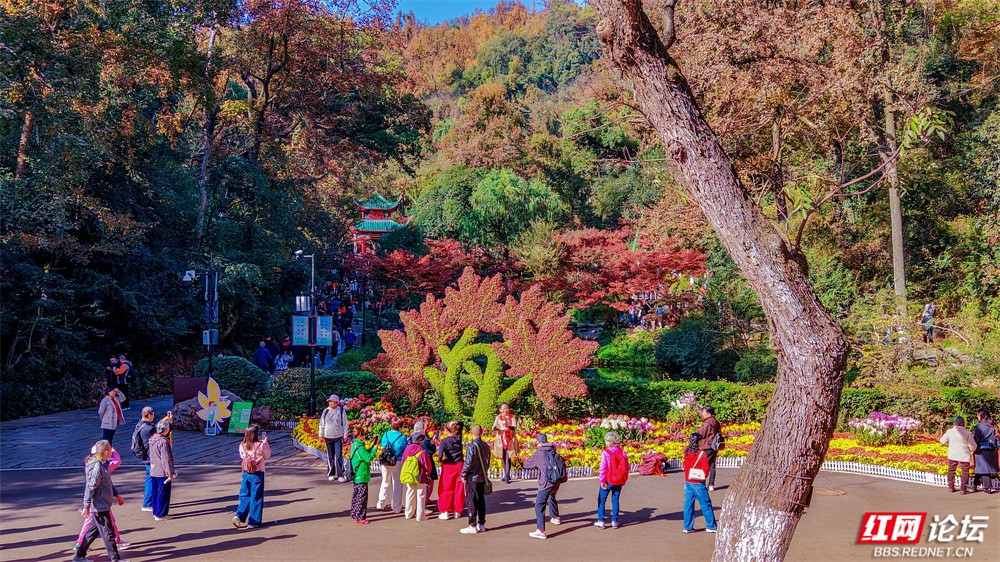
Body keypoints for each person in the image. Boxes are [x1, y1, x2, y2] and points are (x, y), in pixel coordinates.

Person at [75, 440, 128, 562]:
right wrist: (86, 506)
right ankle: (115, 558)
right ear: (106, 452)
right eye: (110, 450)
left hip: (102, 504)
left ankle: (79, 556)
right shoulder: (97, 466)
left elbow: (107, 483)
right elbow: (90, 487)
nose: (111, 452)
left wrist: (117, 495)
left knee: (92, 532)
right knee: (108, 532)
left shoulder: (103, 464)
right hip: (100, 506)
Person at [523, 433, 565, 539]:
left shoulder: (539, 453)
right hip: (556, 480)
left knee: (539, 505)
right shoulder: (552, 450)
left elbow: (526, 465)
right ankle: (555, 517)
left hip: (546, 482)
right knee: (552, 495)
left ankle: (541, 531)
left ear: (538, 442)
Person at [233, 424, 271, 529]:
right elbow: (267, 455)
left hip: (246, 473)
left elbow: (242, 456)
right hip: (258, 473)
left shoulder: (242, 445)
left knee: (245, 495)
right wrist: (265, 443)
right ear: (256, 434)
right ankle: (253, 522)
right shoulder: (260, 445)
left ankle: (239, 516)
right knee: (256, 497)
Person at [682, 433, 718, 534]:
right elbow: (706, 469)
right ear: (699, 441)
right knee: (706, 504)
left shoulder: (687, 452)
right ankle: (711, 526)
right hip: (698, 483)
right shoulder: (701, 454)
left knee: (688, 505)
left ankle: (687, 527)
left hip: (688, 482)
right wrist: (703, 477)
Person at [460, 424, 490, 535]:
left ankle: (472, 525)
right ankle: (481, 524)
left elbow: (468, 462)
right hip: (482, 476)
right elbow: (488, 462)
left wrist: (463, 474)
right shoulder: (485, 445)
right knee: (481, 500)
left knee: (472, 500)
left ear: (471, 432)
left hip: (472, 476)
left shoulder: (472, 446)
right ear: (481, 432)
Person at [595, 431, 629, 529]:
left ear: (609, 442)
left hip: (608, 480)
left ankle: (601, 521)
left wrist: (602, 480)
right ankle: (615, 521)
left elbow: (603, 468)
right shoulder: (622, 452)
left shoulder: (606, 452)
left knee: (602, 500)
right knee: (615, 500)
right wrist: (623, 477)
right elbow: (627, 467)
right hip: (619, 480)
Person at [376, 418, 408, 513]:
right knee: (397, 484)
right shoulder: (402, 437)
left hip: (385, 461)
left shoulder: (386, 434)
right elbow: (405, 450)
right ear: (400, 426)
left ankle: (380, 504)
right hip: (397, 461)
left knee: (385, 482)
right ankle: (396, 507)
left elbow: (383, 446)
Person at [400, 432, 434, 521]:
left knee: (410, 493)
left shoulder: (407, 449)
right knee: (421, 495)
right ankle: (420, 516)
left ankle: (408, 514)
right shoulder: (422, 452)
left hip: (409, 475)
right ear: (421, 441)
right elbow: (428, 466)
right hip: (420, 476)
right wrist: (428, 473)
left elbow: (403, 461)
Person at [437, 421, 465, 520]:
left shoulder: (444, 441)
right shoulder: (458, 438)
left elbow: (440, 455)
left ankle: (445, 511)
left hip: (448, 465)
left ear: (446, 430)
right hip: (459, 464)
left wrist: (440, 460)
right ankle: (457, 511)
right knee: (459, 488)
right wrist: (456, 422)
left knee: (446, 488)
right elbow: (461, 425)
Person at [349, 427, 378, 524]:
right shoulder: (360, 447)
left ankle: (354, 513)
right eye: (363, 434)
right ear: (360, 435)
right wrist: (374, 449)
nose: (365, 436)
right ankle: (360, 517)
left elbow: (365, 454)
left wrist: (372, 447)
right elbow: (368, 458)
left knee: (356, 495)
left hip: (357, 474)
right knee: (362, 497)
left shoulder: (355, 444)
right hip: (361, 474)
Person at [941, 416, 976, 494]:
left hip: (953, 454)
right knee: (965, 471)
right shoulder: (967, 433)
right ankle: (963, 489)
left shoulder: (950, 431)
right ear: (963, 423)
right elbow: (973, 446)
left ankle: (951, 487)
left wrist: (949, 444)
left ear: (954, 423)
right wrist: (971, 449)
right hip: (964, 454)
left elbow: (942, 441)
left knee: (951, 470)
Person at [149, 419, 176, 521]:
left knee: (155, 492)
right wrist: (169, 472)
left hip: (154, 469)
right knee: (163, 493)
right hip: (162, 471)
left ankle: (156, 512)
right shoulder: (163, 442)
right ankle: (161, 514)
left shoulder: (152, 439)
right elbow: (165, 459)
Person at [319, 394, 350, 482]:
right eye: (329, 401)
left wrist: (345, 435)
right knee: (330, 456)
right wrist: (321, 434)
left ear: (336, 402)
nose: (330, 403)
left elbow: (345, 424)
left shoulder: (341, 411)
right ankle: (331, 473)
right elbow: (322, 424)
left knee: (339, 456)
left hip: (338, 436)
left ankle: (340, 474)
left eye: (331, 401)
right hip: (328, 436)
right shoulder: (326, 411)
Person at [132, 406, 156, 512]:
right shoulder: (148, 428)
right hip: (150, 457)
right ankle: (147, 503)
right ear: (149, 415)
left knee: (149, 478)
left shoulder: (139, 425)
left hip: (145, 456)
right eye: (153, 415)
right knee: (151, 479)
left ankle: (149, 502)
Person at [695, 405, 721, 491]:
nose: (702, 414)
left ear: (708, 413)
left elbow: (701, 434)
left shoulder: (706, 423)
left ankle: (702, 483)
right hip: (714, 446)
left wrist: (698, 428)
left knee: (703, 465)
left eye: (703, 412)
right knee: (712, 465)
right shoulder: (716, 422)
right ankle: (711, 484)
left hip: (706, 446)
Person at [492, 402, 519, 483]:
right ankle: (506, 474)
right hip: (501, 439)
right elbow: (493, 427)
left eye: (507, 408)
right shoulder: (498, 417)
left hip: (509, 439)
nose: (505, 410)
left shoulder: (512, 417)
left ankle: (507, 476)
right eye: (503, 408)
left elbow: (514, 427)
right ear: (500, 409)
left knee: (508, 457)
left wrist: (507, 426)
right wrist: (498, 427)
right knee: (503, 457)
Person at [972, 409, 998, 494]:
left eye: (977, 415)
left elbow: (976, 439)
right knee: (984, 468)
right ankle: (976, 484)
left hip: (981, 450)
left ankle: (986, 487)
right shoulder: (993, 424)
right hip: (992, 450)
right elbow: (997, 437)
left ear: (981, 416)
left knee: (982, 468)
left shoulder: (979, 426)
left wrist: (974, 447)